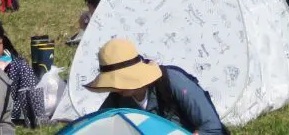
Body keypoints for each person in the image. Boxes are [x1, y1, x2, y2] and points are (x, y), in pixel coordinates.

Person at [84, 37, 226, 135]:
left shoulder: (173, 82)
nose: (117, 87)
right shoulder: (116, 100)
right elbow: (98, 127)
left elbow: (212, 127)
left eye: (122, 80)